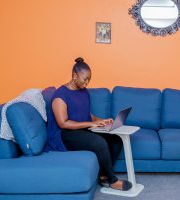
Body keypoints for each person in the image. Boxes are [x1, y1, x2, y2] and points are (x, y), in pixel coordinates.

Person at [44, 57, 132, 191]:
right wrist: (91, 124)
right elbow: (63, 123)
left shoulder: (84, 91)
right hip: (64, 135)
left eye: (88, 80)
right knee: (99, 143)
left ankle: (103, 176)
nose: (87, 83)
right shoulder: (60, 95)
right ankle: (113, 181)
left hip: (81, 129)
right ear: (74, 75)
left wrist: (100, 121)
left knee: (116, 140)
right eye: (84, 79)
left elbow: (87, 114)